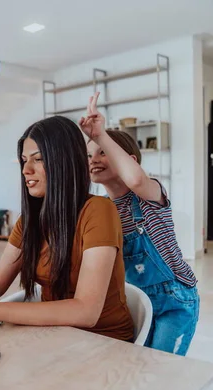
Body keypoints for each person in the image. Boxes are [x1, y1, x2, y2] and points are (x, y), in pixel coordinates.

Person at [0, 116, 135, 342]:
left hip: (104, 343)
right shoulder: (31, 220)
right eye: (23, 160)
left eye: (37, 159)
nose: (26, 170)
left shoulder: (98, 211)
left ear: (64, 162)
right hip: (57, 335)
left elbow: (86, 311)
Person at [82, 92, 199, 355]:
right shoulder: (102, 208)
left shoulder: (149, 193)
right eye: (89, 155)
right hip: (136, 299)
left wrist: (101, 134)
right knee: (138, 361)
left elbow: (134, 180)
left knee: (161, 365)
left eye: (103, 152)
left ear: (130, 160)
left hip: (175, 302)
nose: (94, 159)